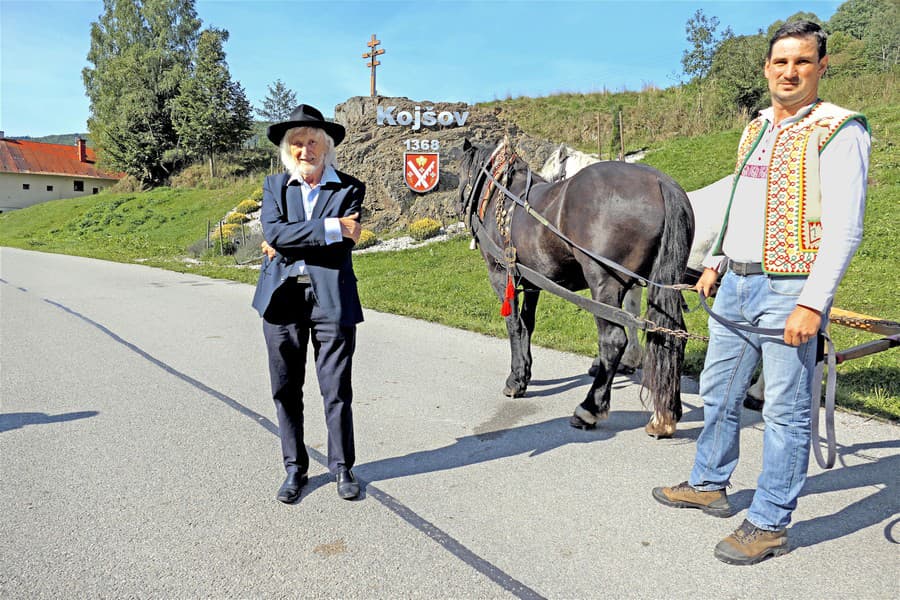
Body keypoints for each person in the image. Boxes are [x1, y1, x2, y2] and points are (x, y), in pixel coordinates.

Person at [652, 21, 870, 565]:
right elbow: (742, 203)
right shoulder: (755, 128)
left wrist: (812, 303)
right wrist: (718, 259)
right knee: (718, 390)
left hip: (790, 287)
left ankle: (770, 521)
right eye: (780, 62)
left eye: (802, 62)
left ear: (822, 67)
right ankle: (708, 482)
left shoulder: (840, 130)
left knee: (786, 409)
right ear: (767, 68)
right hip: (736, 282)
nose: (789, 72)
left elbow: (846, 228)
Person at [251, 104, 365, 503]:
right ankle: (294, 468)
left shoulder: (349, 187)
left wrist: (286, 238)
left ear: (326, 146)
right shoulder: (274, 187)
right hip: (281, 300)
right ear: (287, 149)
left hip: (332, 299)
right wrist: (332, 228)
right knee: (286, 388)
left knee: (336, 388)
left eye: (312, 141)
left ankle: (342, 467)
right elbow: (277, 233)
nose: (305, 150)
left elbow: (284, 238)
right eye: (296, 143)